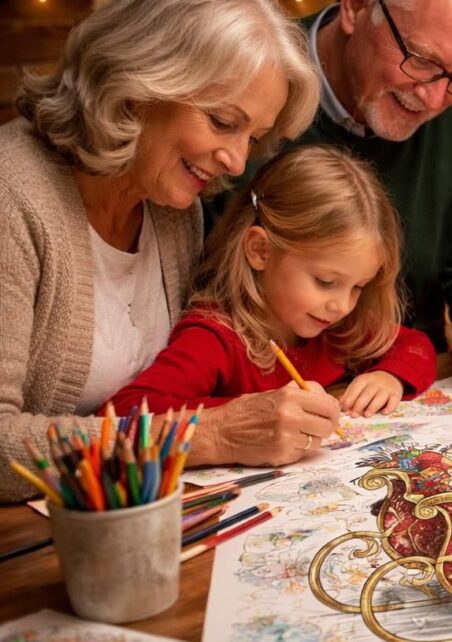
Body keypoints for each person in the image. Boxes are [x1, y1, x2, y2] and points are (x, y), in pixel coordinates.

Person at [0, 0, 323, 501]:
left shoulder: (175, 208)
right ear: (138, 86)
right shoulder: (11, 195)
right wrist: (206, 435)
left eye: (253, 136)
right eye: (222, 122)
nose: (237, 162)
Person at [222, 0, 452, 382]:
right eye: (421, 60)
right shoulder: (254, 76)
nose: (434, 100)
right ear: (355, 8)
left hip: (402, 384)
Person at [107, 146, 437, 422]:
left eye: (358, 287)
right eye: (325, 282)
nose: (342, 305)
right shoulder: (217, 338)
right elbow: (126, 414)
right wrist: (249, 414)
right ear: (260, 251)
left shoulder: (337, 331)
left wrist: (389, 376)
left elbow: (415, 345)